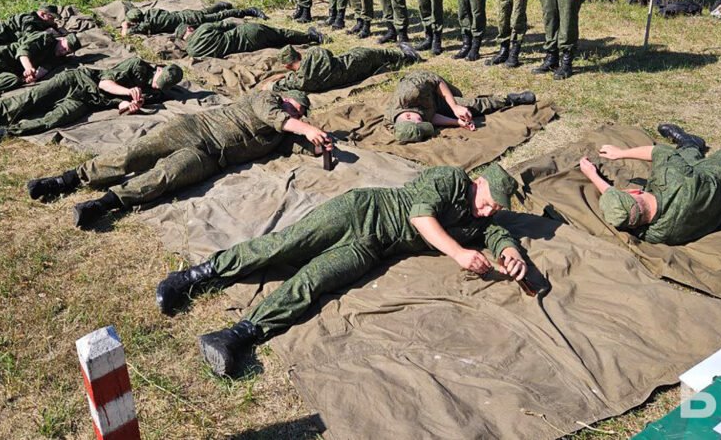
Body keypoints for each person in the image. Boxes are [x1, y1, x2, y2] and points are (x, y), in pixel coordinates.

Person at [154, 163, 528, 377]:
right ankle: (192, 277)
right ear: (478, 182)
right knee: (282, 246)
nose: (489, 210)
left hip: (372, 248)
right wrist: (460, 253)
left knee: (314, 282)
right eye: (489, 202)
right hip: (361, 211)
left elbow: (499, 236)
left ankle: (237, 336)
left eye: (496, 208)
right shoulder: (450, 180)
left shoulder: (482, 219)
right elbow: (420, 216)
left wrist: (513, 255)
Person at [26, 89, 330, 228]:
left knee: (165, 177)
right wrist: (306, 128)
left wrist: (318, 146)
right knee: (133, 154)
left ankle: (103, 204)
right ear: (286, 99)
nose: (295, 114)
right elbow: (278, 118)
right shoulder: (267, 100)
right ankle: (65, 180)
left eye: (300, 114)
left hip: (209, 158)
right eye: (294, 108)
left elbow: (296, 141)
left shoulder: (282, 133)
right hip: (191, 129)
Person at [577, 123, 721, 245]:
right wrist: (620, 154)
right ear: (635, 191)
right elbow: (659, 152)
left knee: (687, 159)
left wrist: (593, 176)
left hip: (705, 198)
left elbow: (625, 209)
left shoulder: (654, 234)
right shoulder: (673, 179)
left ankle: (691, 143)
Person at [0, 59, 184, 149]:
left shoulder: (155, 93)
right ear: (158, 69)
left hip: (86, 102)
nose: (153, 86)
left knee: (52, 120)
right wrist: (127, 91)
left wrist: (130, 107)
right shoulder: (137, 66)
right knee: (26, 100)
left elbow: (116, 106)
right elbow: (105, 84)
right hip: (76, 81)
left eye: (158, 86)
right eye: (155, 81)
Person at [387, 70, 536, 143]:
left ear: (407, 115)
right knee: (469, 111)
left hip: (434, 90)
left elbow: (436, 80)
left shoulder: (411, 90)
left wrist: (454, 107)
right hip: (430, 105)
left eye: (420, 122)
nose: (423, 121)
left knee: (471, 104)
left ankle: (509, 99)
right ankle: (513, 100)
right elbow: (431, 118)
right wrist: (458, 122)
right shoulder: (404, 122)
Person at [271, 42, 419, 94]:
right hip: (352, 63)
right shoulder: (313, 54)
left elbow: (280, 85)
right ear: (298, 54)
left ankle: (403, 58)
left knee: (377, 60)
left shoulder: (301, 82)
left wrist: (279, 81)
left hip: (352, 77)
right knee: (380, 54)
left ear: (287, 65)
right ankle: (408, 56)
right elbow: (327, 53)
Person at [179, 21, 323, 58]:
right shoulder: (203, 28)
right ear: (189, 29)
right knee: (281, 34)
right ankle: (311, 37)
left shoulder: (192, 52)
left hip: (248, 48)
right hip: (247, 33)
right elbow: (225, 25)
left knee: (278, 42)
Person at [120, 3, 266, 36]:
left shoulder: (148, 23)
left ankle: (248, 11)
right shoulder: (152, 12)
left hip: (190, 19)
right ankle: (221, 4)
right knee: (207, 12)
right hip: (185, 13)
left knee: (219, 16)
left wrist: (125, 26)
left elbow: (125, 34)